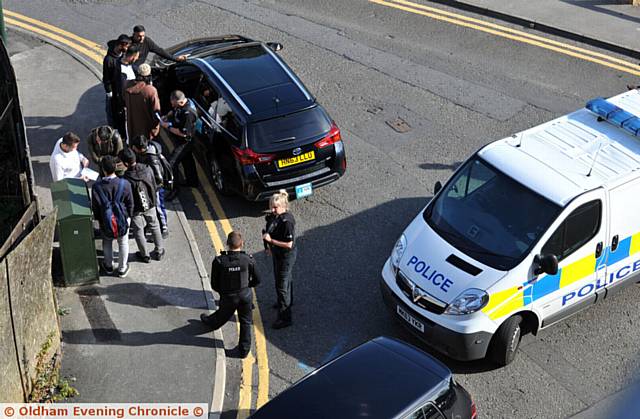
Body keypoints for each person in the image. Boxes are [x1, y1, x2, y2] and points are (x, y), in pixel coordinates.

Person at [201, 231, 261, 358]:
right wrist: (247, 287)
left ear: (227, 244)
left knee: (223, 314)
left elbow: (214, 284)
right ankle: (243, 350)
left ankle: (212, 323)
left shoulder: (219, 261)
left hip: (229, 296)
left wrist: (223, 292)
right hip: (245, 295)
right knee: (245, 322)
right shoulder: (248, 260)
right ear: (242, 243)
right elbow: (257, 280)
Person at [91, 156, 134, 277]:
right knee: (123, 242)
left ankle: (108, 266)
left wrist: (99, 220)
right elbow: (130, 203)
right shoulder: (125, 184)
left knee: (107, 242)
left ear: (103, 170)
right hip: (123, 218)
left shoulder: (97, 187)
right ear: (115, 167)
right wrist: (128, 217)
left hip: (105, 221)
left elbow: (95, 207)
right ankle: (122, 269)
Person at [121, 148, 165, 262]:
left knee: (138, 231)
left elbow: (126, 197)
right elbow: (154, 185)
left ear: (126, 163)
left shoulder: (126, 178)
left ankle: (144, 255)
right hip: (150, 203)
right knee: (154, 226)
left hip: (136, 209)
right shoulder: (147, 168)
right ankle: (159, 250)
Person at [262, 190, 297, 329]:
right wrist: (268, 246)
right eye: (271, 206)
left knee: (281, 286)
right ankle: (288, 301)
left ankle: (285, 318)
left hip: (285, 255)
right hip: (277, 253)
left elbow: (289, 244)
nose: (272, 209)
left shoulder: (287, 221)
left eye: (275, 207)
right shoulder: (276, 216)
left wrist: (272, 241)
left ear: (284, 206)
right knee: (283, 279)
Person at [130, 135, 171, 238]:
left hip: (155, 187)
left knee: (158, 207)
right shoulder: (145, 153)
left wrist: (152, 189)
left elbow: (159, 178)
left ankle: (164, 227)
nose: (132, 148)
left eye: (133, 147)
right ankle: (152, 226)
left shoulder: (152, 158)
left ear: (139, 148)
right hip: (149, 184)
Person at [161, 90, 199, 188]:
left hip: (186, 141)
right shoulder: (183, 103)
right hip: (181, 136)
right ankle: (192, 181)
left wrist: (167, 127)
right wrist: (167, 116)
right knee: (187, 160)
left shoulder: (188, 114)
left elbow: (183, 133)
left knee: (172, 162)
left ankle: (174, 187)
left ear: (181, 102)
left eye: (175, 104)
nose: (173, 107)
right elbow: (174, 110)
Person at [123, 63, 161, 140]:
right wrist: (156, 128)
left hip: (131, 126)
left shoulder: (126, 84)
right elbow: (156, 112)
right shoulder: (151, 90)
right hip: (146, 129)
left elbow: (123, 100)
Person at [109, 45, 140, 137]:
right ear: (132, 57)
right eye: (136, 58)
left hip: (121, 103)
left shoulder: (120, 62)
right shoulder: (122, 72)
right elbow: (123, 91)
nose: (136, 60)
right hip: (124, 105)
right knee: (124, 126)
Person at [102, 34, 131, 126]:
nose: (127, 49)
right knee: (110, 109)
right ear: (121, 45)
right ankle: (112, 126)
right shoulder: (109, 60)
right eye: (126, 46)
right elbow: (106, 77)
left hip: (119, 86)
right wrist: (109, 92)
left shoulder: (122, 54)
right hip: (113, 88)